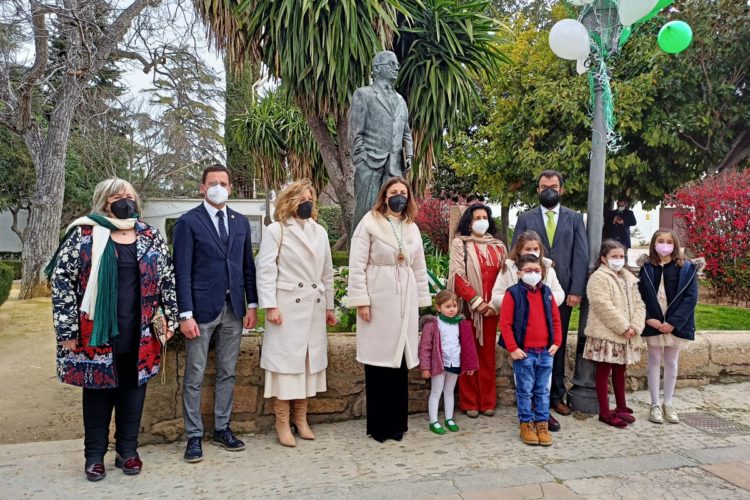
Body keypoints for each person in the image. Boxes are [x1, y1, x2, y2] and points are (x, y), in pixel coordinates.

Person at [49, 178, 178, 481]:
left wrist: (169, 320)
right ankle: (94, 456)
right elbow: (62, 283)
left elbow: (167, 279)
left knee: (133, 393)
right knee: (97, 395)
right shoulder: (83, 234)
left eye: (129, 195)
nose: (125, 200)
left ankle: (128, 451)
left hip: (140, 333)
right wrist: (66, 331)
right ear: (104, 201)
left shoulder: (149, 235)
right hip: (95, 334)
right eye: (117, 196)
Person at [173, 164, 258, 463]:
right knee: (195, 374)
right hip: (200, 310)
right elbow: (180, 271)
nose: (218, 187)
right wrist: (185, 314)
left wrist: (252, 305)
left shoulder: (240, 222)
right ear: (202, 187)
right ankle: (193, 435)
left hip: (234, 309)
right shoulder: (188, 222)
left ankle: (223, 428)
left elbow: (247, 266)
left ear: (230, 188)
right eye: (212, 182)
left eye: (223, 182)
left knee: (228, 371)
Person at [347, 176, 431, 442]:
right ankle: (380, 426)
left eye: (403, 193)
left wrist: (420, 301)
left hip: (404, 300)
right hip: (379, 296)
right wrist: (361, 300)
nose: (399, 197)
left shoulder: (411, 227)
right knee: (379, 363)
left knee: (401, 362)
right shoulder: (369, 222)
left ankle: (398, 425)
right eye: (394, 192)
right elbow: (357, 263)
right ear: (385, 196)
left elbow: (419, 267)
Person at [255, 180, 336, 447]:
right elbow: (265, 270)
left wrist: (329, 306)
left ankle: (301, 418)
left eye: (310, 197)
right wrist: (271, 306)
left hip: (313, 307)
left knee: (307, 365)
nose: (307, 202)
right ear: (289, 201)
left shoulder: (320, 232)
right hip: (287, 308)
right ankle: (282, 422)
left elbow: (327, 272)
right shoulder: (276, 231)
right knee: (285, 367)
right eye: (301, 198)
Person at [511, 170, 588, 430]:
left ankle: (555, 396)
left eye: (553, 186)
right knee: (530, 344)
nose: (549, 190)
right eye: (544, 187)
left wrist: (576, 289)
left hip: (561, 294)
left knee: (557, 344)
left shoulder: (575, 218)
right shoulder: (525, 218)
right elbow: (515, 255)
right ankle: (528, 398)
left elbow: (581, 254)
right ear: (538, 190)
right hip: (530, 294)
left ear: (561, 189)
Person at [447, 204, 507, 418]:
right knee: (469, 354)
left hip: (492, 310)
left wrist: (494, 305)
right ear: (469, 222)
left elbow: (506, 277)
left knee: (488, 355)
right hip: (469, 309)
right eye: (477, 217)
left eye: (485, 217)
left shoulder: (499, 246)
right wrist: (476, 301)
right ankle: (470, 401)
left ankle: (488, 401)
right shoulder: (460, 244)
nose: (481, 221)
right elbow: (457, 275)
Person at [637, 230, 702, 425]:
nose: (664, 245)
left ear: (675, 244)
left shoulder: (686, 268)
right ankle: (655, 404)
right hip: (654, 320)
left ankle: (668, 402)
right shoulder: (647, 267)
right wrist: (648, 319)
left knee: (672, 361)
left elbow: (691, 297)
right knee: (654, 360)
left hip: (675, 322)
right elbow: (639, 296)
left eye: (668, 242)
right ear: (654, 244)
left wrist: (674, 322)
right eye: (660, 241)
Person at [498, 254, 562, 446]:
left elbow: (556, 319)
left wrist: (556, 342)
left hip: (546, 352)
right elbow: (506, 323)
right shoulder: (512, 294)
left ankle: (541, 424)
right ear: (519, 273)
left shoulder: (547, 293)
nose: (533, 274)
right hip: (524, 353)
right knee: (525, 391)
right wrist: (513, 348)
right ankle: (526, 423)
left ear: (541, 272)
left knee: (543, 391)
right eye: (528, 271)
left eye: (536, 271)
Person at [349, 50, 414, 231]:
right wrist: (361, 158)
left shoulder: (401, 100)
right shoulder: (363, 94)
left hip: (395, 166)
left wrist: (408, 154)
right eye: (391, 64)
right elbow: (355, 132)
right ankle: (359, 254)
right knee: (364, 212)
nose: (397, 68)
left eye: (397, 65)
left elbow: (406, 132)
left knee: (393, 215)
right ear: (377, 69)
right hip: (369, 162)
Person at [583, 240, 646, 428]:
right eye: (614, 257)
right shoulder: (599, 278)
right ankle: (604, 411)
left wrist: (635, 326)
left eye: (621, 256)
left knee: (621, 370)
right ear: (603, 258)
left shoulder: (629, 278)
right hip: (607, 334)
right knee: (603, 371)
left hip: (627, 334)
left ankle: (621, 406)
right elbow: (602, 305)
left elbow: (639, 304)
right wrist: (623, 327)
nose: (618, 260)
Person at [418, 290, 479, 435]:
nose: (452, 309)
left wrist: (470, 364)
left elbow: (468, 346)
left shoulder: (461, 324)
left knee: (450, 391)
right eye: (447, 306)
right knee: (436, 391)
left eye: (454, 306)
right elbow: (425, 347)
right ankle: (433, 421)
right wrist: (425, 367)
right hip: (439, 364)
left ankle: (449, 418)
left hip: (454, 362)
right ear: (438, 308)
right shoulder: (432, 325)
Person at [491, 230, 565, 312]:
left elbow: (559, 293)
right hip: (516, 317)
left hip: (542, 316)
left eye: (536, 249)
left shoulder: (548, 269)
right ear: (519, 250)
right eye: (528, 249)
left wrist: (544, 299)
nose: (532, 252)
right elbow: (496, 297)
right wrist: (517, 300)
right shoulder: (508, 268)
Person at [603, 200, 637, 264]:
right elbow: (607, 224)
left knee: (624, 253)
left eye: (622, 205)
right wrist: (613, 221)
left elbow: (634, 222)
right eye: (619, 205)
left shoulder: (629, 213)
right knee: (612, 251)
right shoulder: (612, 213)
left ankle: (625, 266)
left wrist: (623, 222)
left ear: (625, 205)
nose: (620, 206)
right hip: (613, 236)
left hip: (624, 236)